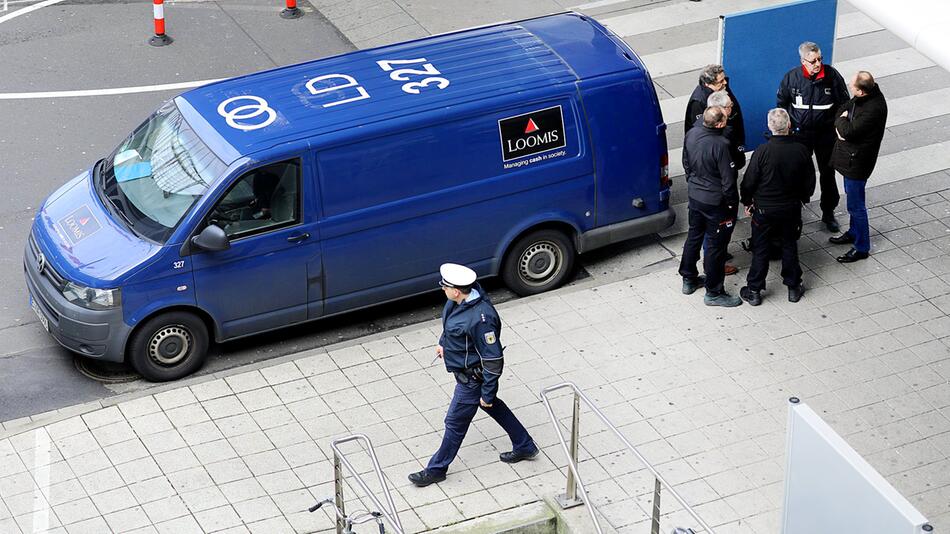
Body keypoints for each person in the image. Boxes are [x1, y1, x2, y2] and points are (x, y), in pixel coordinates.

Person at [409, 263, 539, 487]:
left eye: (445, 286)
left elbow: (493, 360)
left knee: (454, 422)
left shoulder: (481, 319)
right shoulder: (456, 302)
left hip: (471, 379)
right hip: (466, 373)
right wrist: (444, 345)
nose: (442, 289)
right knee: (492, 406)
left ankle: (437, 469)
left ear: (457, 290)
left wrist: (487, 392)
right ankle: (524, 444)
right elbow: (451, 328)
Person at [739, 109, 816, 306]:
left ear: (769, 127)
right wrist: (802, 198)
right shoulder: (801, 150)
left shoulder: (762, 152)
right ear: (789, 125)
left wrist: (747, 202)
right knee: (789, 244)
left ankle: (754, 289)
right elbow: (809, 181)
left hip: (764, 209)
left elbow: (749, 182)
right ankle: (793, 286)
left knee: (761, 248)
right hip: (790, 207)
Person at [776, 41, 849, 233]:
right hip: (800, 135)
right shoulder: (792, 78)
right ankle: (796, 209)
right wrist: (788, 125)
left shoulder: (832, 76)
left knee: (828, 173)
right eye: (813, 61)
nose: (817, 63)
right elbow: (781, 103)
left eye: (820, 59)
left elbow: (844, 103)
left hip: (825, 135)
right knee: (798, 172)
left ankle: (828, 212)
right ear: (803, 61)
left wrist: (837, 125)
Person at [679, 107, 742, 307]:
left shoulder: (692, 134)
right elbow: (728, 180)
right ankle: (714, 292)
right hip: (716, 202)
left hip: (695, 196)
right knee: (716, 247)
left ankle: (688, 278)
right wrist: (732, 203)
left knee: (694, 235)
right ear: (720, 124)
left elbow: (686, 162)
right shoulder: (721, 145)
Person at [828, 71, 888, 263]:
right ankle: (854, 232)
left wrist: (841, 123)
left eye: (853, 87)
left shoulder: (873, 109)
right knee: (853, 199)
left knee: (856, 205)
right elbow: (842, 109)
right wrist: (842, 122)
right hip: (851, 159)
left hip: (857, 162)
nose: (850, 90)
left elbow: (848, 130)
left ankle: (862, 246)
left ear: (861, 91)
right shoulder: (865, 97)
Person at [685, 65, 747, 171]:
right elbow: (702, 131)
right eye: (721, 81)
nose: (725, 83)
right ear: (708, 84)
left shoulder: (721, 89)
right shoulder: (699, 102)